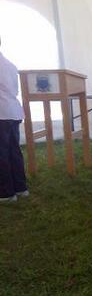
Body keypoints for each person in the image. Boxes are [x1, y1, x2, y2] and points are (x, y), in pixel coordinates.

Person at [0, 38, 28, 203]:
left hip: (2, 113)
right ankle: (20, 188)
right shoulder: (10, 65)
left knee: (2, 154)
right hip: (13, 111)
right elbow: (15, 90)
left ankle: (6, 193)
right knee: (14, 151)